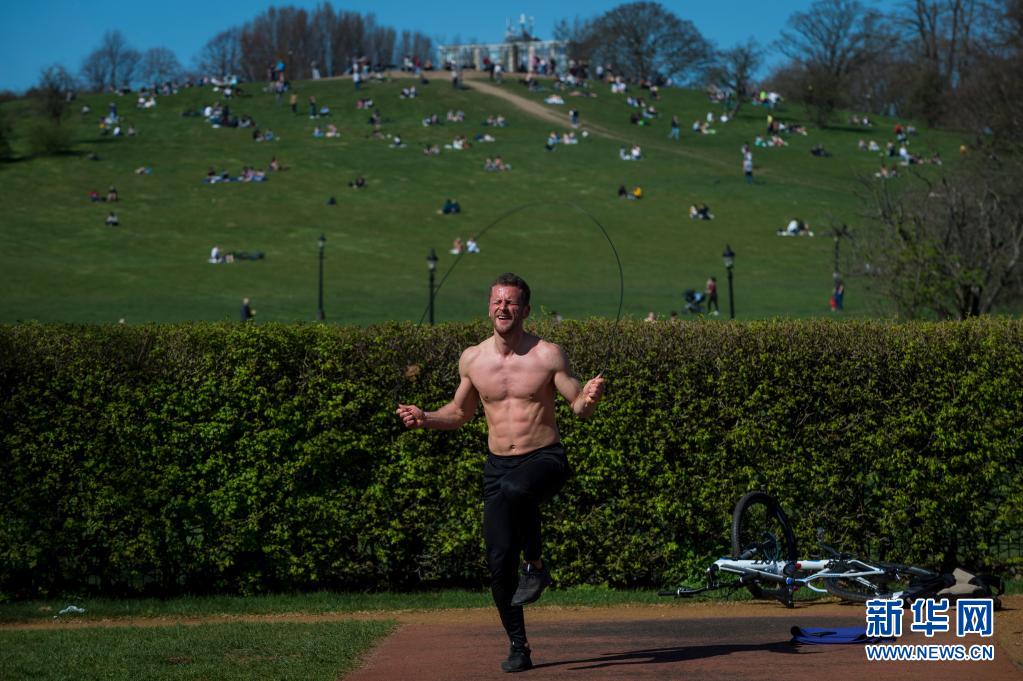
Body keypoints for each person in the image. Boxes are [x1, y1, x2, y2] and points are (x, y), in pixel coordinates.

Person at [396, 273, 605, 673]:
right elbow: (459, 413)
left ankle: (536, 566)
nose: (503, 308)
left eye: (511, 302)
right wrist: (425, 418)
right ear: (489, 307)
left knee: (517, 489)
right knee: (497, 561)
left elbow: (578, 406)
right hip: (499, 467)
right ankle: (518, 646)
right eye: (497, 301)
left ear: (525, 310)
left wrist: (590, 398)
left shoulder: (547, 355)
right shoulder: (473, 359)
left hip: (544, 459)